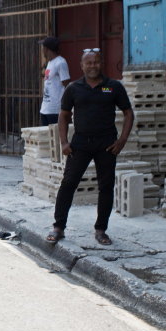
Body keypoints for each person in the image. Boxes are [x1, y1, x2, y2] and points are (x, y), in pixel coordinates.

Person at [49, 49, 133, 247]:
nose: (93, 66)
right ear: (82, 65)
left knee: (105, 186)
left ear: (101, 63)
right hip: (80, 143)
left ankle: (101, 230)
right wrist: (64, 142)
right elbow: (63, 115)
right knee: (68, 183)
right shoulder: (73, 88)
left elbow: (128, 113)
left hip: (107, 144)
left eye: (96, 62)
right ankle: (58, 227)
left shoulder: (113, 87)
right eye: (89, 63)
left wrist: (121, 141)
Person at [39, 36, 70, 126]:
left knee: (55, 138)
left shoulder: (61, 62)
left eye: (42, 48)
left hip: (55, 110)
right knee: (46, 137)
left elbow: (67, 85)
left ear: (46, 49)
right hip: (45, 108)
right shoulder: (50, 62)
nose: (42, 50)